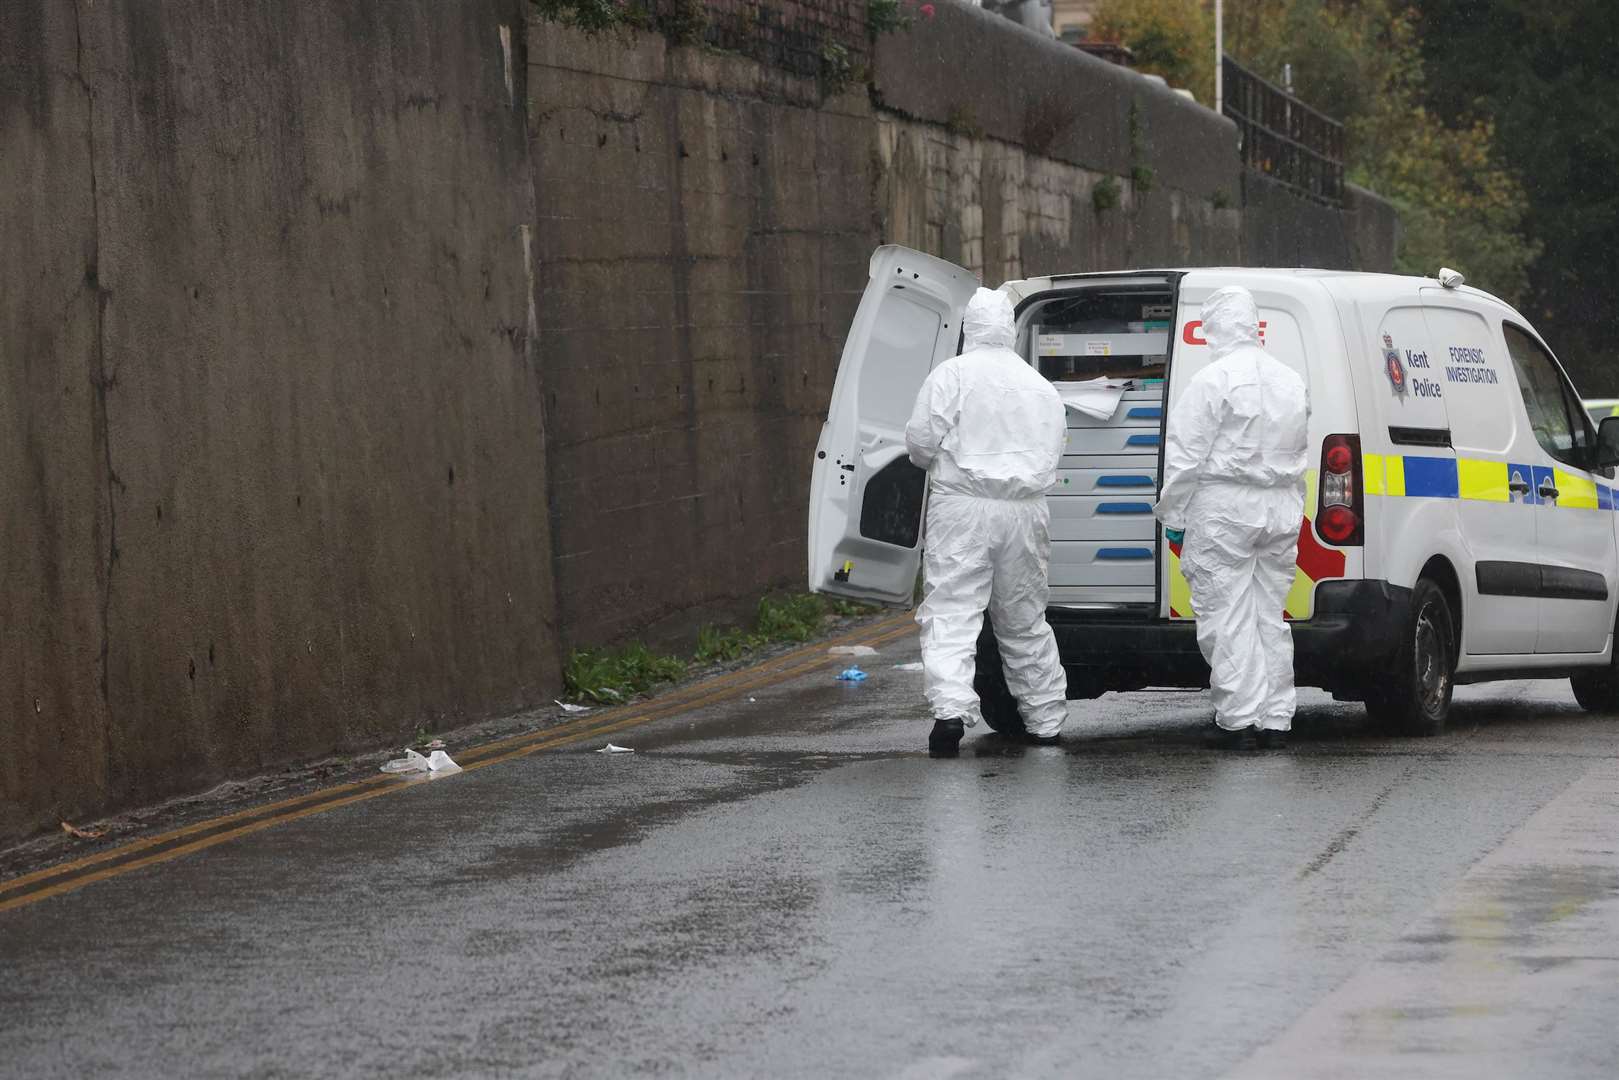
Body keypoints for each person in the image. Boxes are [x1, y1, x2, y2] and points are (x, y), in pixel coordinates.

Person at [904, 287, 1070, 758]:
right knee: (1023, 619)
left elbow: (919, 443)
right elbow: (1057, 448)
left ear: (968, 329)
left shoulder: (951, 376)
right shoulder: (1040, 386)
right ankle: (1044, 720)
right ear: (1010, 330)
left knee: (954, 610)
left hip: (964, 507)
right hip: (1024, 510)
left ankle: (951, 713)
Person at [1155, 286, 1310, 750]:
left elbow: (1184, 458)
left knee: (1227, 615)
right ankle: (1276, 717)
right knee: (1269, 616)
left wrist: (1174, 515)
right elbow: (1299, 447)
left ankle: (1239, 720)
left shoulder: (1211, 380)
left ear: (1215, 328)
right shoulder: (1290, 380)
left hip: (1225, 509)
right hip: (1279, 508)